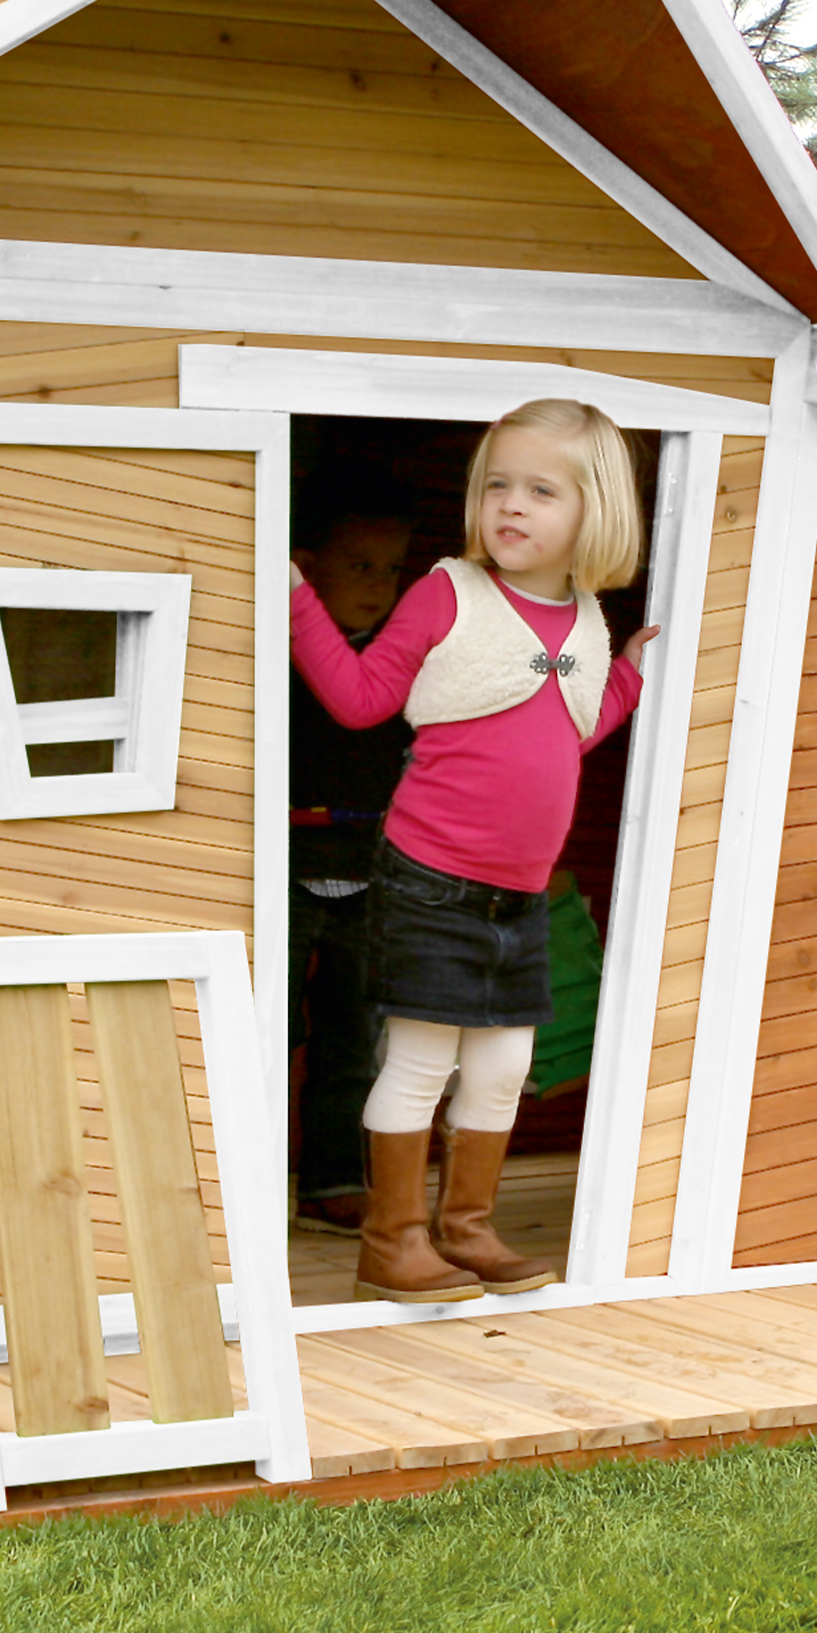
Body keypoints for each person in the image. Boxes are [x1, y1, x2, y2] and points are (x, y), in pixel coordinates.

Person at [288, 399, 656, 1302]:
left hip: (519, 897)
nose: (511, 505)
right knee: (418, 1063)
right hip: (429, 880)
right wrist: (294, 597)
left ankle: (468, 1230)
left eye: (541, 490)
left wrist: (630, 680)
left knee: (503, 1070)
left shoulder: (587, 620)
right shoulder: (450, 592)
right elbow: (361, 698)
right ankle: (393, 1242)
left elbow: (566, 731)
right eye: (498, 486)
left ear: (598, 510)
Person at [286, 505, 414, 1236]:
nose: (377, 585)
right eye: (359, 565)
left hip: (369, 872)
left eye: (390, 570)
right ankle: (247, 1183)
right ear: (305, 568)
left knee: (352, 1036)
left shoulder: (400, 666)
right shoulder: (273, 656)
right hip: (283, 863)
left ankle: (332, 1181)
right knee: (269, 1028)